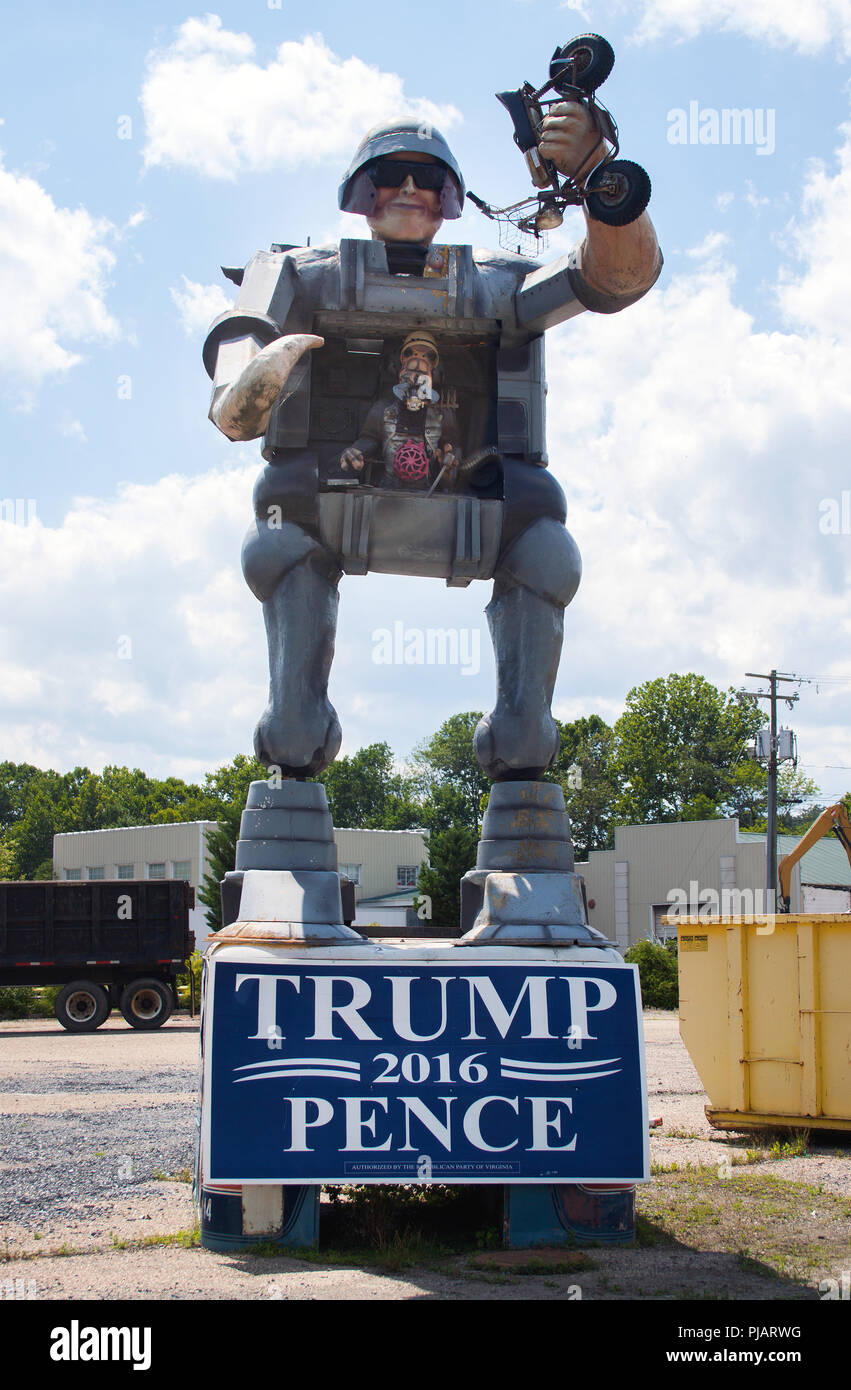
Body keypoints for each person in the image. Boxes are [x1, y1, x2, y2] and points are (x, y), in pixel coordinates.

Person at [203, 104, 662, 780]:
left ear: (450, 198)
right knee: (278, 532)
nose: (411, 192)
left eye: (429, 178)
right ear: (361, 191)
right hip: (327, 498)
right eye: (391, 175)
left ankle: (521, 741)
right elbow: (245, 323)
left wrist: (602, 183)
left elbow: (612, 278)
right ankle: (293, 734)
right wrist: (238, 384)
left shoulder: (498, 284)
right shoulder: (300, 273)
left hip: (478, 502)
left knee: (544, 546)